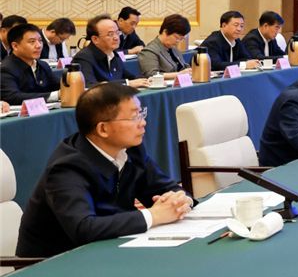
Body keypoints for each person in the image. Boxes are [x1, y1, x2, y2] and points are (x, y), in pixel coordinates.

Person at [15, 82, 193, 257]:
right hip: (55, 263)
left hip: (111, 248)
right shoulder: (66, 168)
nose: (143, 123)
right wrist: (154, 215)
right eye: (134, 117)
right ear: (103, 129)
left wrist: (180, 200)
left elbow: (166, 188)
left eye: (141, 113)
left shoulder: (131, 149)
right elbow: (84, 228)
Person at [71, 15, 149, 88]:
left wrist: (149, 80)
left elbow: (130, 77)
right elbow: (89, 86)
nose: (116, 38)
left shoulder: (114, 55)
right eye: (110, 34)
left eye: (117, 33)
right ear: (95, 39)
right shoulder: (83, 58)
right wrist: (127, 83)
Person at [2, 22, 58, 102]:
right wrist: (55, 95)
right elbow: (12, 96)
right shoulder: (6, 69)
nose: (38, 46)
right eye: (32, 41)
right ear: (15, 46)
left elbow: (57, 85)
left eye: (40, 41)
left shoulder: (42, 65)